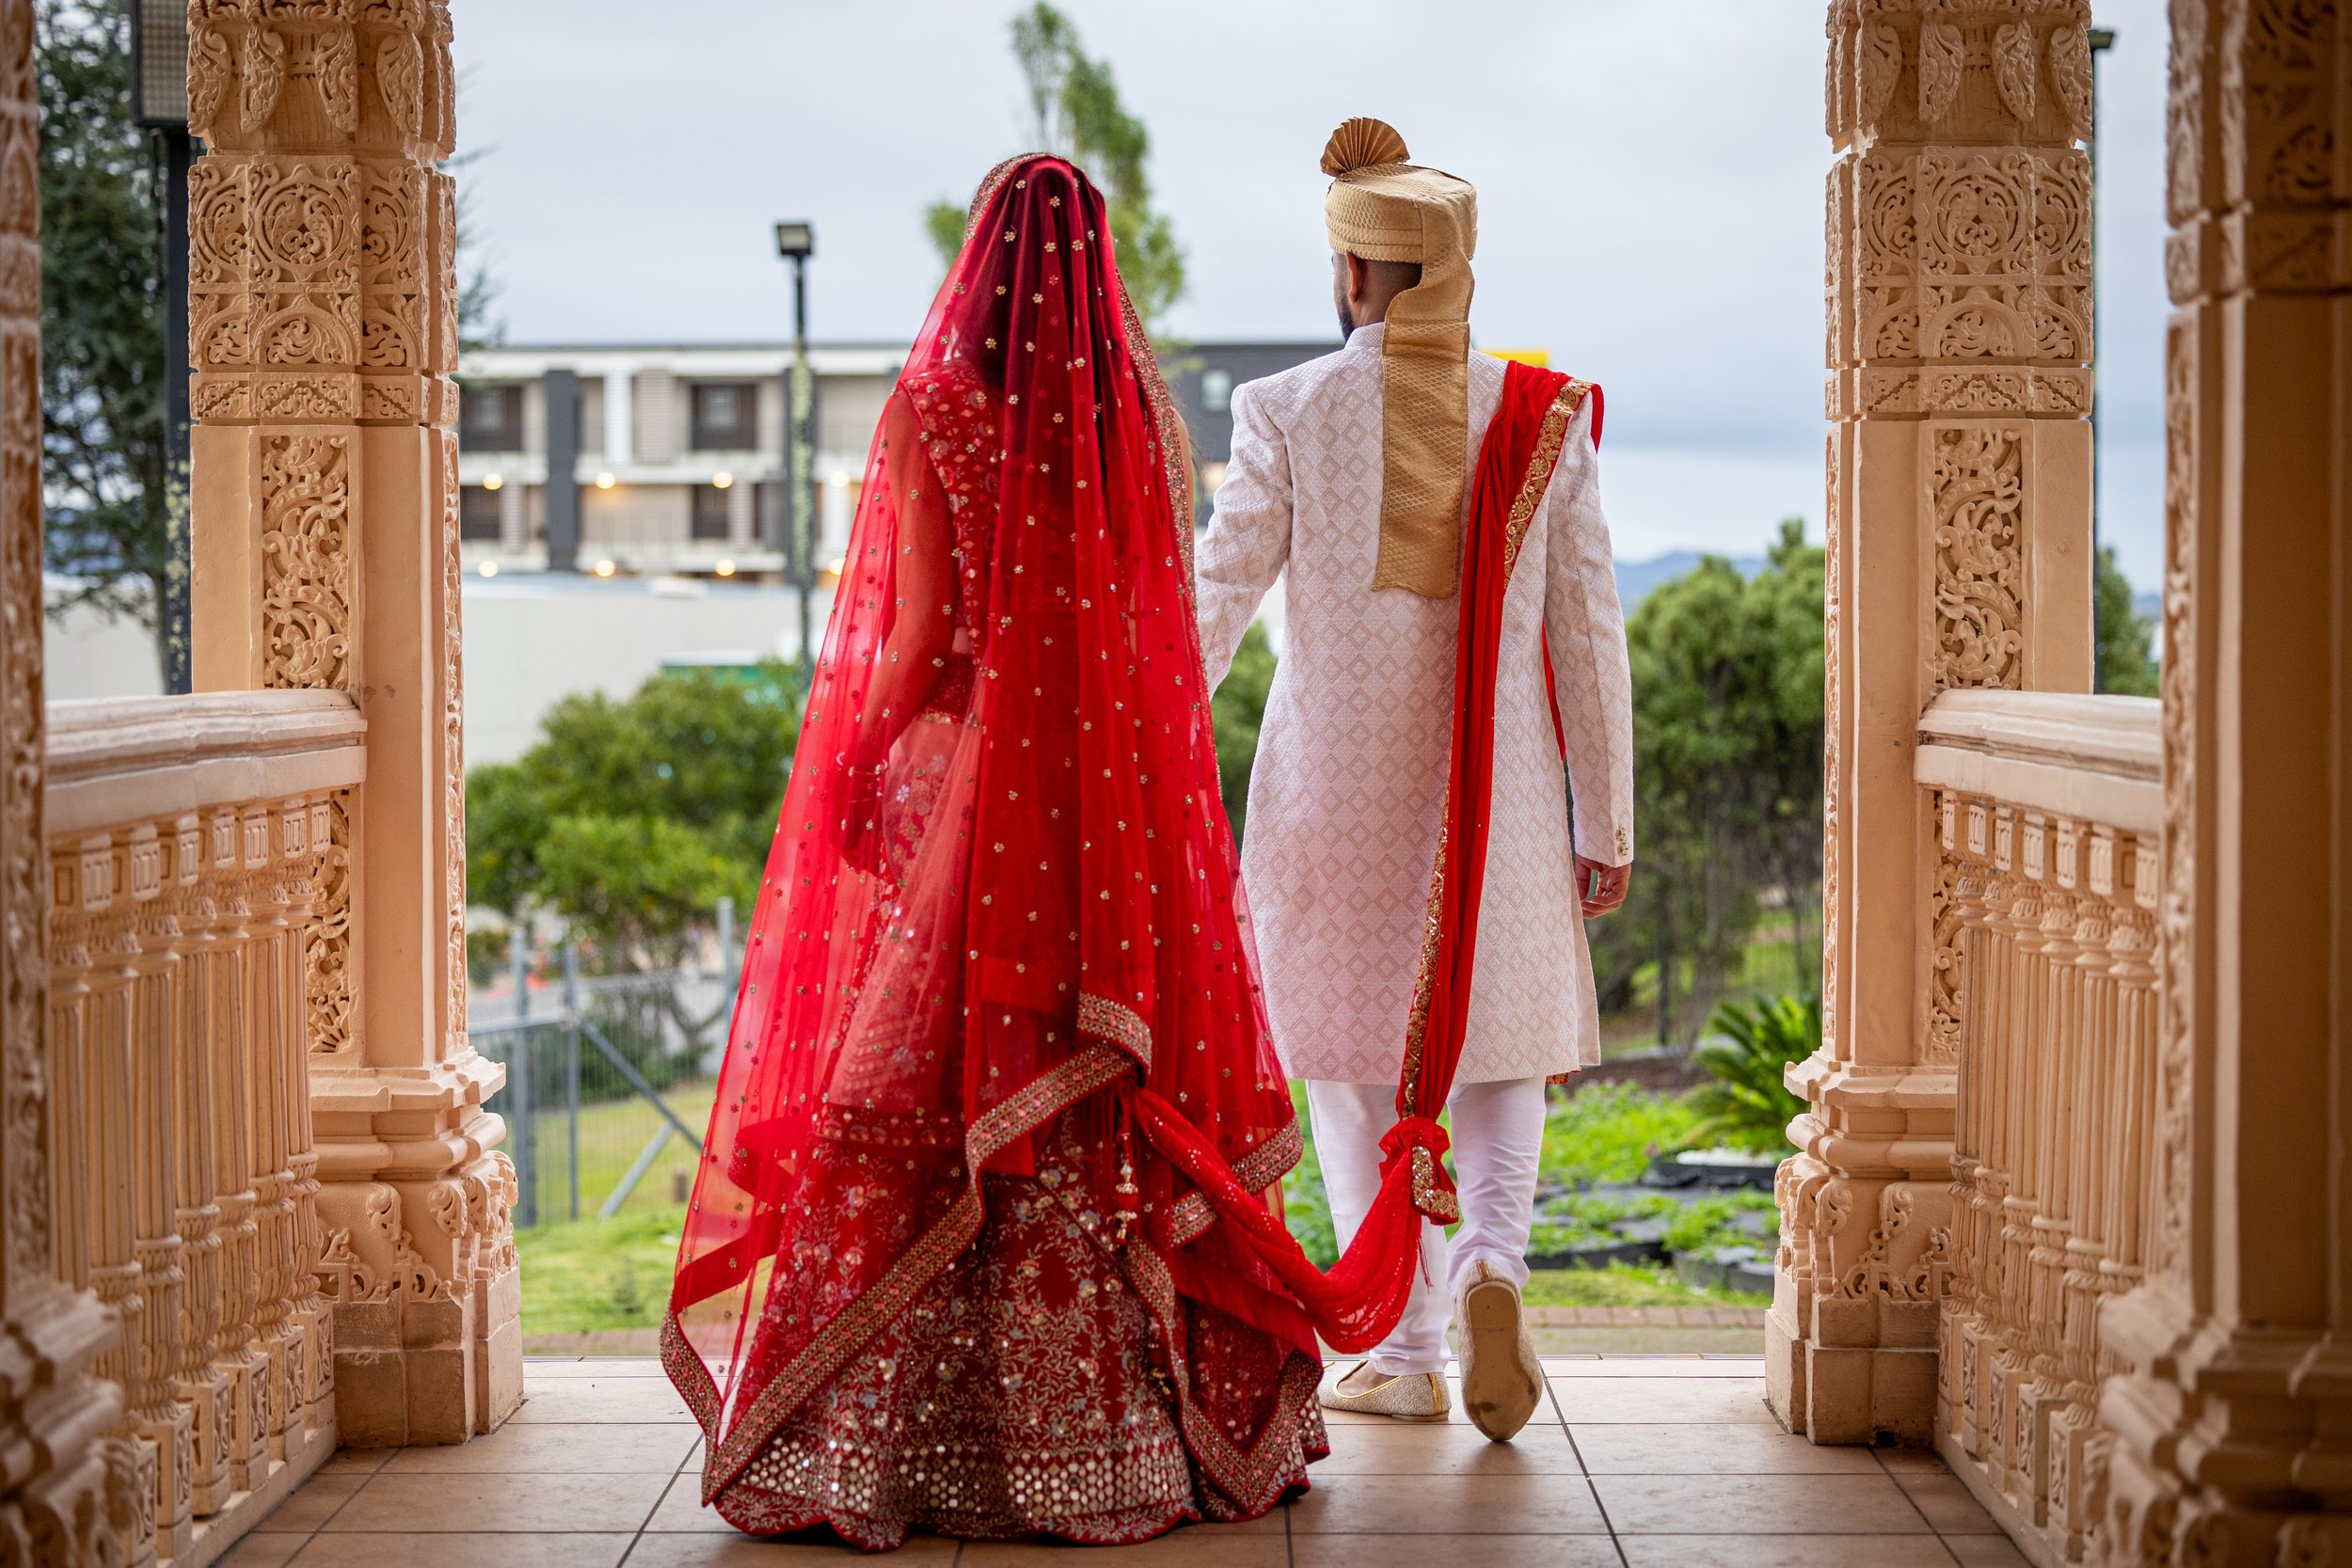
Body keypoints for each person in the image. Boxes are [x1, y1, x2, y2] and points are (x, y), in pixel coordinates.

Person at [662, 155, 1330, 1549]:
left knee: (931, 1079)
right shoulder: (1140, 421)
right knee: (1088, 1080)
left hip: (963, 791)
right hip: (1105, 806)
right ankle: (1119, 1439)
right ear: (1094, 273)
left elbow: (913, 635)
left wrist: (851, 762)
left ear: (980, 264)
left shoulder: (935, 409)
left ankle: (897, 1446)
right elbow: (1152, 634)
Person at [1194, 118, 1636, 1441]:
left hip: (1329, 799)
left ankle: (1405, 1345)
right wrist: (1606, 820)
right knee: (1500, 1058)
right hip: (1500, 805)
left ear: (1353, 275)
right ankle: (1491, 1265)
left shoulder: (1285, 411)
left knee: (1347, 1066)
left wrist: (1141, 739)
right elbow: (1589, 632)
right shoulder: (1543, 416)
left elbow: (1216, 594)